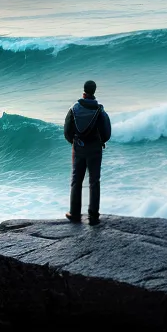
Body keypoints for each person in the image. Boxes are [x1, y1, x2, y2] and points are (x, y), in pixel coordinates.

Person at [63, 79, 112, 225]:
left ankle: (75, 214)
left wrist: (75, 142)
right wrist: (99, 141)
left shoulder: (74, 109)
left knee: (76, 181)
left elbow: (67, 131)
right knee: (94, 181)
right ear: (94, 91)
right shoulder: (99, 110)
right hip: (95, 149)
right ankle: (93, 216)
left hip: (79, 148)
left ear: (84, 91)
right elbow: (107, 132)